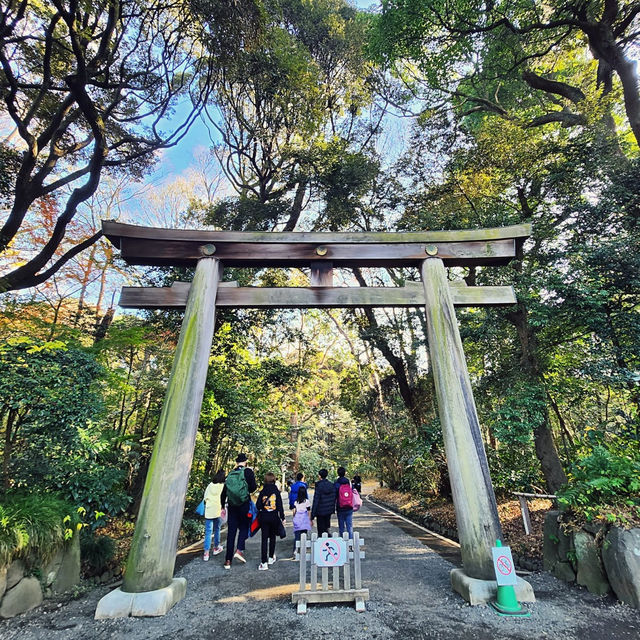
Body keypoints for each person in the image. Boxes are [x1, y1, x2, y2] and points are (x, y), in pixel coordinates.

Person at [221, 453, 257, 569]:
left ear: (237, 462)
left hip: (232, 506)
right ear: (246, 461)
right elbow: (253, 487)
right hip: (244, 505)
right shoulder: (248, 472)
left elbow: (224, 492)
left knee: (231, 532)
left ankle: (227, 560)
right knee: (244, 527)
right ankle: (239, 549)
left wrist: (222, 505)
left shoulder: (231, 473)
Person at [255, 471, 286, 570]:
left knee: (264, 539)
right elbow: (280, 505)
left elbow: (258, 505)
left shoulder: (262, 491)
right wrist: (283, 517)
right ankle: (271, 557)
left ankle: (264, 563)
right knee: (272, 537)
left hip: (264, 517)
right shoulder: (276, 491)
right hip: (274, 517)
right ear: (274, 480)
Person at [202, 469, 226, 561]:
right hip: (217, 509)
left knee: (208, 532)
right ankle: (216, 547)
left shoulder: (210, 485)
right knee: (217, 529)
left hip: (209, 510)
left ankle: (206, 553)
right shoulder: (223, 486)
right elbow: (224, 498)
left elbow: (205, 497)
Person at [311, 468, 336, 536]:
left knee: (321, 530)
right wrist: (332, 508)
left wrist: (312, 515)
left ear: (319, 476)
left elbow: (316, 500)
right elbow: (334, 497)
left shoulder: (318, 486)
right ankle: (328, 541)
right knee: (326, 527)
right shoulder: (331, 485)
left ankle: (321, 544)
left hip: (320, 511)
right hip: (329, 510)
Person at [292, 485, 312, 558]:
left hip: (297, 519)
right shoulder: (307, 502)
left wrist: (294, 517)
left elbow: (294, 511)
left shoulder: (296, 502)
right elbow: (309, 511)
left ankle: (295, 551)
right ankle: (303, 550)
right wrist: (310, 520)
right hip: (304, 520)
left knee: (297, 536)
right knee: (304, 536)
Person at [334, 466, 354, 538]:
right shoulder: (349, 482)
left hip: (340, 507)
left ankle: (342, 544)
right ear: (345, 473)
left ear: (338, 473)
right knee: (350, 527)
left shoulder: (336, 483)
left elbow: (334, 495)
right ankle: (351, 544)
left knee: (341, 527)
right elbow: (352, 492)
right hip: (349, 507)